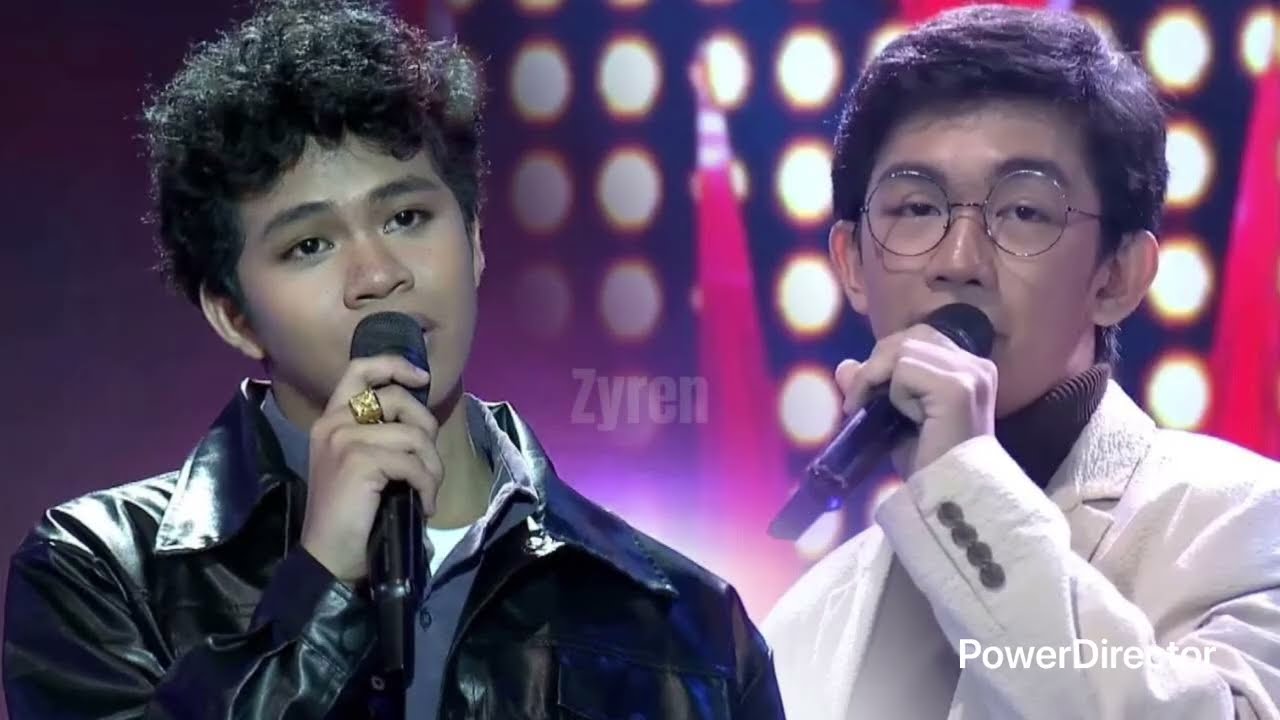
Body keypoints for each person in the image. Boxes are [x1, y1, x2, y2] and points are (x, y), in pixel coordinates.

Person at [1, 1, 785, 718]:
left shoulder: (687, 626)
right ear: (234, 315)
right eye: (310, 244)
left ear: (474, 240)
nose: (378, 275)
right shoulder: (100, 573)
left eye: (407, 217)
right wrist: (320, 581)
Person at [762, 5, 1280, 718]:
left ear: (1118, 276)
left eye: (1024, 211)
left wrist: (964, 483)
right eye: (915, 208)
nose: (958, 260)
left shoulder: (1246, 522)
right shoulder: (804, 619)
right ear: (851, 264)